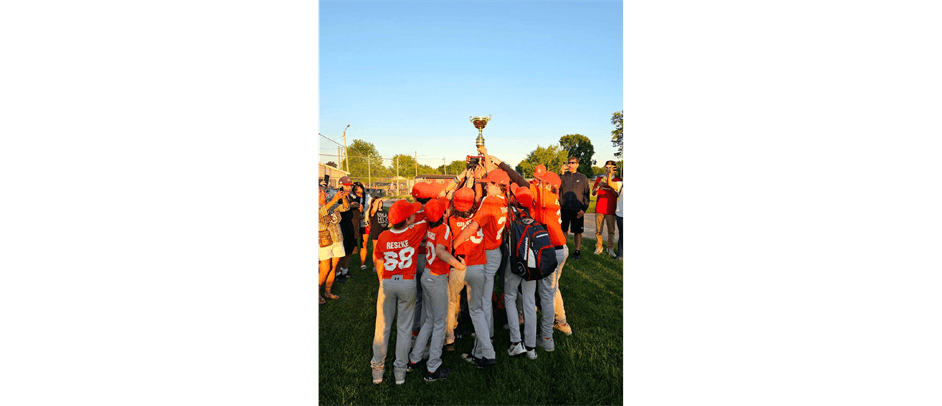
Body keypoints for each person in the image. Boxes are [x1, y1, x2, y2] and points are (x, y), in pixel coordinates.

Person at [407, 197, 465, 382]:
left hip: (427, 274)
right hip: (437, 278)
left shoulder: (429, 226)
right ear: (444, 214)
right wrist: (458, 264)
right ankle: (432, 368)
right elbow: (440, 251)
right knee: (439, 323)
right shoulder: (444, 228)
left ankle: (414, 359)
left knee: (430, 320)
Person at [370, 199, 428, 385]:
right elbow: (428, 217)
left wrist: (381, 278)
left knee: (382, 327)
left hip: (387, 282)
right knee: (404, 329)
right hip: (407, 282)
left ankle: (377, 371)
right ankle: (399, 373)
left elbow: (377, 258)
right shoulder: (415, 231)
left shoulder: (384, 236)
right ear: (408, 220)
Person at [453, 169, 510, 341]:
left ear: (498, 186)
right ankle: (486, 333)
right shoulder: (503, 200)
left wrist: (455, 244)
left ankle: (486, 337)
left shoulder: (491, 201)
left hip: (489, 254)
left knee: (483, 300)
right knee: (484, 297)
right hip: (496, 251)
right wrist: (478, 179)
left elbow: (472, 227)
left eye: (489, 184)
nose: (486, 187)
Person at [450, 187, 496, 368]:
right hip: (478, 266)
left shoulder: (451, 219)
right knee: (477, 311)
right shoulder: (480, 215)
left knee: (451, 302)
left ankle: (448, 339)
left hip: (459, 266)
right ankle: (488, 352)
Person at [530, 166, 573, 342]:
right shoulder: (550, 198)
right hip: (560, 248)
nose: (538, 183)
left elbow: (521, 184)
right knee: (553, 289)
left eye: (542, 181)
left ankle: (547, 336)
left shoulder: (546, 198)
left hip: (553, 250)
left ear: (549, 186)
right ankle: (562, 322)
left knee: (547, 293)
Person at [503, 183, 540, 360]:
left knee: (510, 297)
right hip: (532, 263)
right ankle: (531, 347)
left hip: (515, 261)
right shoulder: (535, 213)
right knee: (529, 301)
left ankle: (516, 342)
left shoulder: (511, 214)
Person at [318, 181, 349, 304]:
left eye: (323, 191)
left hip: (337, 238)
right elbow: (321, 214)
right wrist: (334, 199)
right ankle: (317, 293)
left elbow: (345, 208)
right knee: (325, 269)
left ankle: (328, 291)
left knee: (333, 267)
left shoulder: (331, 203)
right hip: (324, 241)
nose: (323, 193)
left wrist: (344, 198)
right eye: (319, 192)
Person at [558, 157, 590, 260]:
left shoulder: (582, 177)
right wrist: (561, 174)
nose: (570, 165)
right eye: (569, 163)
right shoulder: (563, 177)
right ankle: (563, 249)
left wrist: (583, 209)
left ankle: (577, 251)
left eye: (573, 163)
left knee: (577, 231)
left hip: (577, 209)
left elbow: (586, 195)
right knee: (563, 230)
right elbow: (557, 187)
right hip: (564, 208)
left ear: (577, 164)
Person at [591, 160, 622, 257]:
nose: (607, 169)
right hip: (599, 208)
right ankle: (599, 246)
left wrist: (610, 186)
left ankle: (610, 248)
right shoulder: (599, 179)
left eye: (610, 167)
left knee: (611, 231)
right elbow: (593, 193)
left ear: (614, 169)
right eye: (606, 167)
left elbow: (617, 195)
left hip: (611, 209)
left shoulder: (617, 180)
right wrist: (598, 187)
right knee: (598, 230)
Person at [335, 176, 359, 283]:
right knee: (341, 250)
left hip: (350, 224)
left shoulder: (350, 196)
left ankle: (345, 271)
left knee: (349, 249)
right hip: (341, 225)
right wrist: (350, 205)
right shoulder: (338, 196)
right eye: (347, 186)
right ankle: (337, 273)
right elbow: (338, 208)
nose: (349, 188)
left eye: (350, 186)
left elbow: (355, 204)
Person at [351, 182, 372, 269]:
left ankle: (362, 263)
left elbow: (370, 210)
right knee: (351, 244)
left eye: (360, 188)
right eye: (356, 189)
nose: (358, 191)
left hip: (364, 222)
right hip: (354, 223)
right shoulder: (352, 198)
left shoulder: (368, 197)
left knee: (364, 243)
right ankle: (344, 266)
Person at [368, 194, 389, 272]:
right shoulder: (373, 212)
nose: (380, 203)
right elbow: (373, 210)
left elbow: (388, 222)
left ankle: (383, 263)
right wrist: (376, 200)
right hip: (376, 233)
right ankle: (375, 265)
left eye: (381, 202)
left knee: (383, 250)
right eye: (378, 202)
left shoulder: (385, 211)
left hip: (384, 232)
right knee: (376, 249)